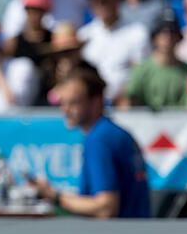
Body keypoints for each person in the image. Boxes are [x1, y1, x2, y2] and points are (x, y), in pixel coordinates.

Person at [32, 66, 151, 218]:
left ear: (96, 102)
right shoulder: (112, 133)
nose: (65, 110)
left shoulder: (99, 139)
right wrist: (53, 193)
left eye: (73, 103)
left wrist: (55, 196)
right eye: (63, 103)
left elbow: (106, 207)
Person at [78, 0, 151, 103]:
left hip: (125, 104)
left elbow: (140, 74)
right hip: (90, 105)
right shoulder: (84, 35)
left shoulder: (137, 33)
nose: (101, 3)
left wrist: (123, 96)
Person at [126, 10, 187, 110]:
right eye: (163, 33)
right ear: (154, 37)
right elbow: (132, 101)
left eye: (172, 32)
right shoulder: (141, 70)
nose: (168, 38)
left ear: (178, 37)